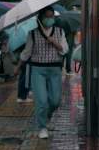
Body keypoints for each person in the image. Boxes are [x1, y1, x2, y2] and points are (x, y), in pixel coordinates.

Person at [14, 7, 68, 139]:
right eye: (47, 16)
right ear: (41, 18)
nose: (50, 19)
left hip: (55, 69)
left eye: (52, 17)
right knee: (42, 100)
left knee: (55, 100)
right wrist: (18, 67)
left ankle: (47, 117)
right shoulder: (32, 33)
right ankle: (42, 127)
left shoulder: (60, 32)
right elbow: (26, 53)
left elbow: (65, 50)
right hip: (38, 70)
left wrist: (54, 42)